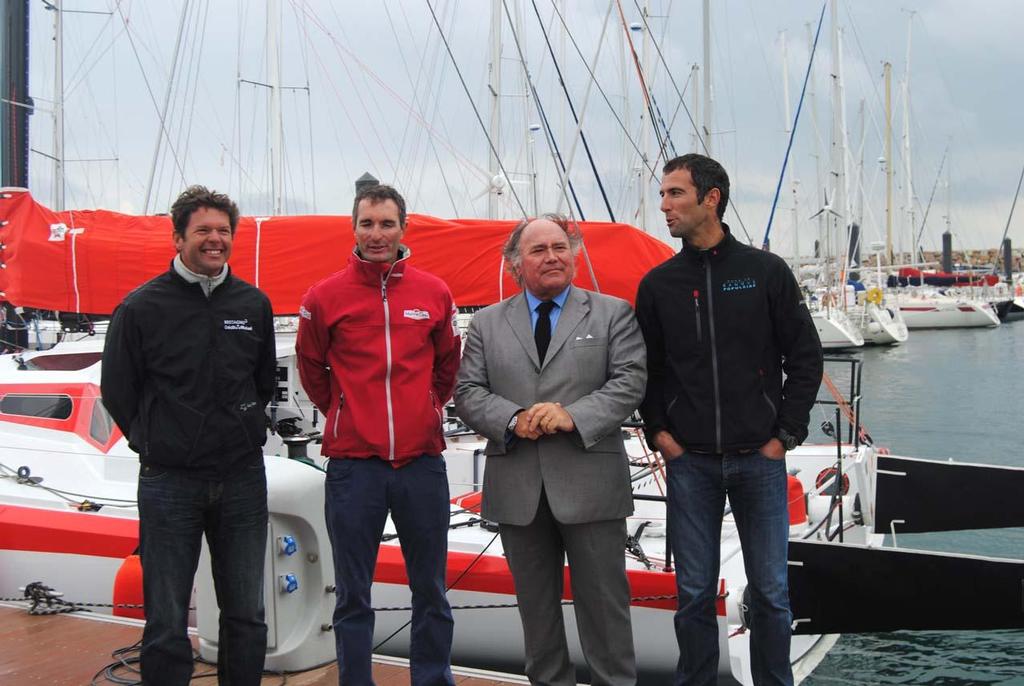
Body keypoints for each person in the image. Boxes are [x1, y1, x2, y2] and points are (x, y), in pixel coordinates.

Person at [635, 154, 823, 686]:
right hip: (689, 462)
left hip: (759, 460)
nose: (665, 206)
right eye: (663, 195)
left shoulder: (765, 273)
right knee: (693, 593)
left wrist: (785, 434)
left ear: (710, 198)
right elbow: (647, 370)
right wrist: (660, 434)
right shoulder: (659, 285)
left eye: (675, 194)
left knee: (770, 594)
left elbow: (805, 358)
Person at [454, 214, 646, 686]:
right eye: (538, 250)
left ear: (575, 255)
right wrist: (513, 420)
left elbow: (630, 382)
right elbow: (469, 392)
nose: (552, 257)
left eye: (560, 247)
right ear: (516, 264)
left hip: (592, 487)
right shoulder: (486, 324)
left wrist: (573, 415)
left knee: (605, 613)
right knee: (537, 621)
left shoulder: (612, 313)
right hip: (519, 490)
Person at [101, 185, 277, 685]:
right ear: (178, 238)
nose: (215, 239)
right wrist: (154, 442)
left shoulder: (253, 304)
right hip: (169, 481)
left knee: (246, 613)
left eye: (223, 231)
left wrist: (240, 429)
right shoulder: (140, 308)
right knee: (166, 618)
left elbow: (263, 383)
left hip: (241, 477)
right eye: (203, 230)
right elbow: (117, 390)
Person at [295, 184, 461, 686]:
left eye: (387, 223)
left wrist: (428, 407)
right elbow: (312, 366)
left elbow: (447, 364)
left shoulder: (433, 292)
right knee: (352, 592)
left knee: (430, 587)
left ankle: (431, 678)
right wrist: (344, 412)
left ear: (403, 229)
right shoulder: (324, 297)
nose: (377, 234)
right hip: (354, 465)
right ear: (354, 228)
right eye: (367, 223)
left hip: (421, 462)